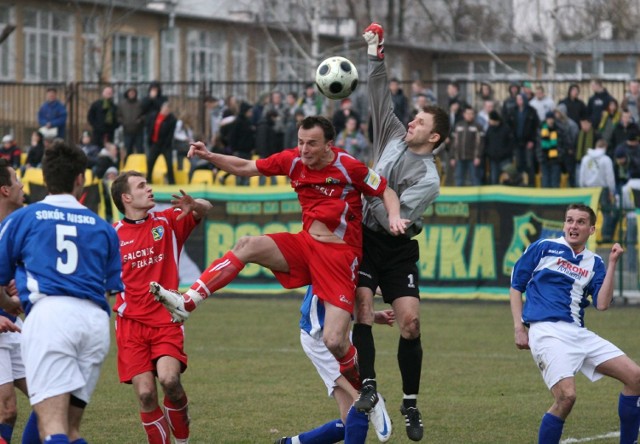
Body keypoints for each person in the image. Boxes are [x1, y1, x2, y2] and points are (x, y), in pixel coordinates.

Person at [151, 115, 408, 396]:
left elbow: (386, 190)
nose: (304, 149)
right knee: (247, 244)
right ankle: (187, 302)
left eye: (311, 143)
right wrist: (209, 155)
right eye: (300, 142)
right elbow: (247, 167)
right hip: (306, 245)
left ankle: (366, 389)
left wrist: (394, 216)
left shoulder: (349, 166)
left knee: (334, 341)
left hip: (340, 256)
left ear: (329, 146)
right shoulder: (293, 160)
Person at [352, 23, 450, 442]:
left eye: (421, 121)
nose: (412, 121)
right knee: (361, 304)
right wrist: (376, 54)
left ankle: (410, 402)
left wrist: (373, 187)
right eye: (414, 117)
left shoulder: (429, 179)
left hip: (394, 247)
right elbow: (378, 92)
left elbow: (390, 212)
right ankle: (369, 387)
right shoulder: (392, 132)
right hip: (363, 239)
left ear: (435, 136)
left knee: (410, 324)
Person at [0, 141, 123, 443]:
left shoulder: (23, 219)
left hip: (51, 317)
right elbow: (111, 287)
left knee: (52, 426)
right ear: (80, 179)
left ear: (43, 179)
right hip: (95, 323)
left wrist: (11, 304)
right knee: (69, 429)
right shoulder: (103, 228)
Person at [509, 203, 640, 444]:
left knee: (635, 377)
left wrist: (612, 264)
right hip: (546, 331)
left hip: (578, 333)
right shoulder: (544, 247)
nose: (573, 226)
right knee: (566, 397)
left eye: (580, 222)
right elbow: (516, 285)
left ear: (591, 229)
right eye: (569, 220)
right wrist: (519, 328)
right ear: (564, 225)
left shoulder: (594, 263)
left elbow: (602, 304)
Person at [111, 171, 211, 444]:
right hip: (130, 324)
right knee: (145, 394)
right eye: (142, 186)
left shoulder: (167, 222)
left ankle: (182, 440)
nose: (150, 189)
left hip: (166, 319)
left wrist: (195, 205)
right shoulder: (112, 235)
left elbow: (206, 208)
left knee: (170, 381)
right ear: (127, 197)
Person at [274, 286, 394, 444]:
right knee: (359, 401)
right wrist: (399, 292)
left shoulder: (351, 265)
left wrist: (373, 314)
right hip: (320, 336)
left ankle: (292, 443)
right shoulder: (333, 263)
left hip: (339, 333)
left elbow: (350, 290)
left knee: (348, 418)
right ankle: (371, 399)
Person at [0, 158, 27, 444]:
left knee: (52, 396)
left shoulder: (16, 226)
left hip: (13, 326)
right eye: (16, 179)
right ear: (5, 190)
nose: (21, 185)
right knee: (6, 411)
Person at [579, 139, 618, 243]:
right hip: (602, 189)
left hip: (588, 189)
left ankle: (586, 236)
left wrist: (582, 188)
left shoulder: (586, 159)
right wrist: (612, 190)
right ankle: (606, 236)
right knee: (606, 212)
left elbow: (581, 175)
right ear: (605, 147)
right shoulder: (606, 159)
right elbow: (610, 177)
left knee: (588, 214)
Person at [147, 101, 177, 185]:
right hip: (155, 143)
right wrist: (150, 141)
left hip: (165, 145)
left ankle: (172, 182)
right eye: (165, 109)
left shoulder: (172, 119)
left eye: (168, 109)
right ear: (161, 108)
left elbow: (170, 134)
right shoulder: (154, 116)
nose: (166, 111)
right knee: (150, 162)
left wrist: (165, 144)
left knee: (169, 164)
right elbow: (149, 128)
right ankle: (148, 179)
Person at [117, 87, 145, 159]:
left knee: (140, 150)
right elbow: (118, 116)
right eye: (130, 92)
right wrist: (123, 122)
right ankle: (128, 166)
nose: (132, 94)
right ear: (127, 94)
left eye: (133, 93)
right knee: (128, 150)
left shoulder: (140, 103)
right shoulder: (122, 104)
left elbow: (144, 115)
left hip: (138, 131)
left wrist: (140, 120)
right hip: (127, 131)